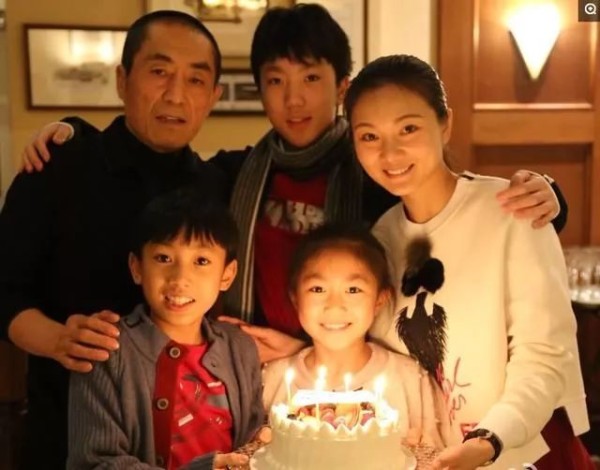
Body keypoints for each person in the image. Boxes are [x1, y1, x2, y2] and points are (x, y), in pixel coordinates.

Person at [19, 5, 566, 359]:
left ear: (342, 86)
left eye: (311, 78)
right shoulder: (232, 173)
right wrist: (74, 133)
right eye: (276, 81)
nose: (294, 98)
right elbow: (158, 184)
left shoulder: (377, 171)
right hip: (248, 372)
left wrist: (549, 194)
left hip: (357, 373)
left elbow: (457, 207)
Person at [0, 10, 227, 469]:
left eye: (196, 80)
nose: (176, 95)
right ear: (123, 80)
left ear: (213, 96)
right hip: (65, 437)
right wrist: (57, 339)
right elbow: (4, 290)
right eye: (159, 72)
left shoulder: (216, 188)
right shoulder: (57, 169)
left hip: (189, 446)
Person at [343, 54, 592, 469]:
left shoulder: (513, 211)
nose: (390, 152)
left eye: (408, 128)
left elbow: (546, 355)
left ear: (445, 124)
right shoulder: (379, 240)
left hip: (527, 451)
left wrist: (488, 440)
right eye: (369, 136)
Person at [68, 188, 264, 470]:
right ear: (137, 267)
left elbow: (254, 442)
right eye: (163, 258)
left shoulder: (240, 348)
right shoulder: (106, 350)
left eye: (201, 261)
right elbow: (94, 462)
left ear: (227, 275)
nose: (180, 279)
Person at [261, 224, 451, 450]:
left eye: (353, 290)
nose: (335, 305)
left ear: (379, 300)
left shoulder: (410, 380)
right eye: (318, 289)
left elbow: (441, 456)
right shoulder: (272, 380)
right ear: (295, 298)